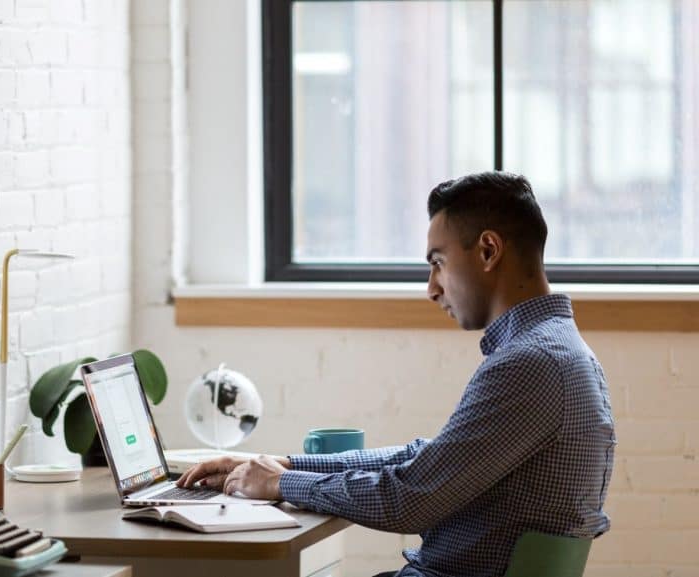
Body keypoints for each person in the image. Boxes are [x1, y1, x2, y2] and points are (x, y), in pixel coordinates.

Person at [177, 172, 616, 577]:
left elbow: (410, 499)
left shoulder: (530, 364)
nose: (431, 288)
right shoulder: (558, 352)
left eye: (438, 262)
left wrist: (279, 483)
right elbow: (428, 459)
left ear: (487, 251)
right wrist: (286, 464)